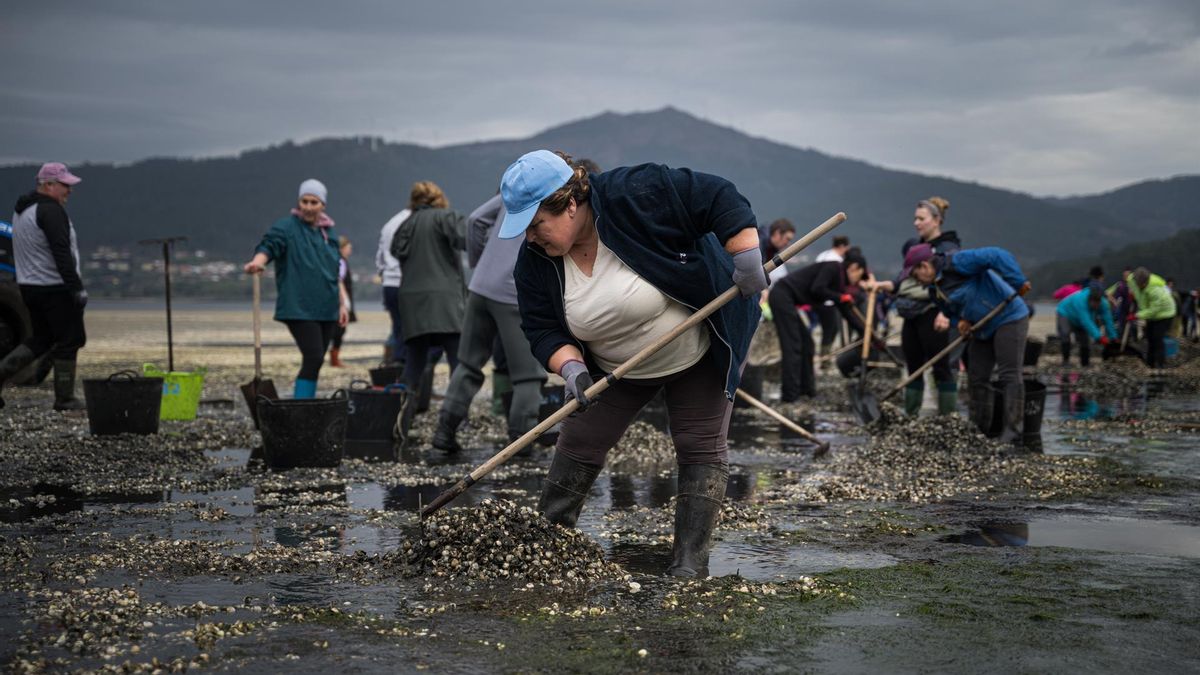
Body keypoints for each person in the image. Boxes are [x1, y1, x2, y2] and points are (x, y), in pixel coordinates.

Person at [503, 149, 765, 578]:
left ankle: (688, 565)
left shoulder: (635, 194)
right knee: (579, 440)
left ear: (569, 203)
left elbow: (717, 196)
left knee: (699, 444)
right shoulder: (535, 261)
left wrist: (745, 253)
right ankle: (547, 545)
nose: (531, 238)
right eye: (524, 230)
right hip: (614, 366)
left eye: (536, 225)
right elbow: (541, 327)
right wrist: (570, 366)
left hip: (698, 345)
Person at [431, 184, 560, 453]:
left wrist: (479, 263)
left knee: (468, 364)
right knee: (528, 376)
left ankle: (444, 434)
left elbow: (476, 220)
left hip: (480, 286)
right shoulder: (555, 196)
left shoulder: (515, 192)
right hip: (513, 292)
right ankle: (520, 443)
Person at [903, 243, 1032, 444]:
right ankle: (979, 431)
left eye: (915, 274)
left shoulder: (957, 262)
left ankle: (1013, 432)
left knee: (1009, 373)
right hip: (982, 328)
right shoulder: (934, 291)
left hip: (1009, 317)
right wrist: (959, 322)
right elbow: (949, 312)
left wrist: (1017, 281)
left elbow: (996, 255)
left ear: (925, 266)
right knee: (977, 376)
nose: (916, 280)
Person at [243, 179, 349, 398]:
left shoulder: (330, 234)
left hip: (327, 307)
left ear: (323, 205)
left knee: (317, 359)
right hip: (299, 306)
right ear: (299, 202)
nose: (308, 207)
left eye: (314, 202)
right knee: (313, 355)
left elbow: (334, 272)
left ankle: (306, 402)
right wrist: (258, 261)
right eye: (305, 201)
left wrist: (342, 304)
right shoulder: (287, 228)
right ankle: (301, 405)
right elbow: (270, 245)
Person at [861, 197, 961, 416]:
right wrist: (879, 285)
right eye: (915, 218)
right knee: (912, 365)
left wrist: (946, 311)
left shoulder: (948, 250)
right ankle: (911, 414)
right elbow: (900, 281)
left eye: (921, 218)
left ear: (937, 220)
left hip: (933, 313)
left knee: (941, 366)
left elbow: (953, 285)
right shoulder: (914, 249)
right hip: (910, 314)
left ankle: (947, 418)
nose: (916, 223)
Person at [0, 163, 89, 410]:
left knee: (41, 339)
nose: (69, 191)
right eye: (65, 185)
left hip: (29, 286)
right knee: (71, 339)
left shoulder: (22, 211)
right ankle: (65, 398)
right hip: (54, 287)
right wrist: (76, 287)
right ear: (48, 185)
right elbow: (61, 252)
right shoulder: (50, 211)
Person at [389, 180, 467, 444]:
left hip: (411, 303)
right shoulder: (446, 217)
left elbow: (395, 252)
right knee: (459, 363)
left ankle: (401, 421)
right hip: (445, 302)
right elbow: (468, 238)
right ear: (439, 197)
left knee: (413, 366)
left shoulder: (404, 226)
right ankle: (453, 423)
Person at [768, 255, 867, 401]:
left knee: (808, 345)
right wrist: (840, 297)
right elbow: (817, 288)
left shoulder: (839, 283)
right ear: (854, 268)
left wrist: (865, 333)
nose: (857, 281)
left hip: (789, 300)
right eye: (859, 275)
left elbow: (846, 312)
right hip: (781, 295)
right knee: (793, 347)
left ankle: (807, 390)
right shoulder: (834, 267)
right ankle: (790, 396)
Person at [376, 202, 411, 365]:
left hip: (389, 284)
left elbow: (380, 258)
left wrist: (384, 275)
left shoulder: (390, 223)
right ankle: (402, 371)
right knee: (408, 331)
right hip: (406, 282)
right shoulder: (415, 222)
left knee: (397, 327)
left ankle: (390, 365)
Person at [1055, 282, 1115, 367]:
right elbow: (1086, 321)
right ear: (1089, 301)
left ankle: (1085, 363)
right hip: (1065, 312)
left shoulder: (1103, 303)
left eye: (1098, 305)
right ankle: (1065, 361)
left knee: (1085, 340)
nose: (1096, 307)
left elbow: (1108, 319)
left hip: (1078, 318)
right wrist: (1099, 337)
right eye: (1094, 305)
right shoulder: (1081, 301)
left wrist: (1113, 337)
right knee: (1065, 334)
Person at [1128, 267, 1176, 369]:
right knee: (1149, 337)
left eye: (1144, 284)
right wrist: (1131, 293)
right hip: (1150, 313)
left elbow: (1154, 310)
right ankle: (1150, 364)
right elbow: (1129, 282)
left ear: (1147, 280)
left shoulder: (1155, 290)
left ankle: (1160, 365)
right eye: (1139, 284)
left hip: (1165, 313)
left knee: (1157, 338)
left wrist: (1137, 315)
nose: (1142, 286)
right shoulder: (1132, 280)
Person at [329, 236, 357, 367]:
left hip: (340, 300)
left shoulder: (341, 261)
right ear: (342, 248)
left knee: (339, 329)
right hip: (341, 300)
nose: (349, 251)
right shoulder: (340, 262)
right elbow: (339, 280)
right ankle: (334, 358)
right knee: (338, 330)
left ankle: (334, 357)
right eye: (348, 248)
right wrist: (345, 300)